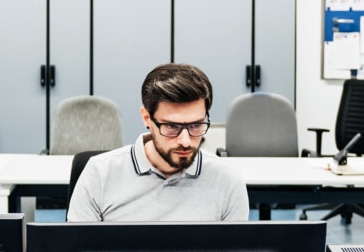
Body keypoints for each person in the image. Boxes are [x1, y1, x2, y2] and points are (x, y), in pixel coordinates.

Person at [67, 63, 250, 222]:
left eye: (196, 125)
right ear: (147, 118)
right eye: (172, 126)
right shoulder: (99, 174)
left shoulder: (228, 180)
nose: (185, 141)